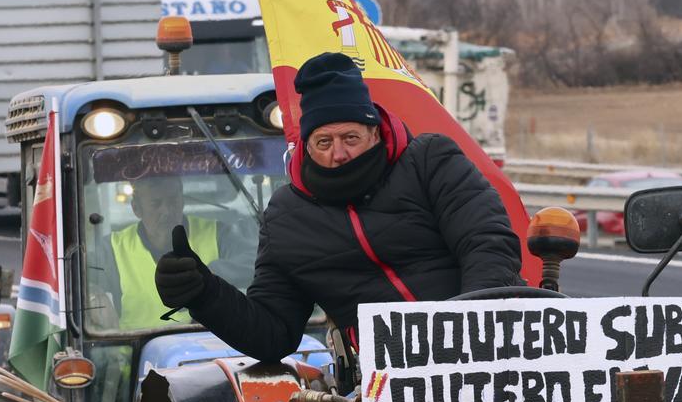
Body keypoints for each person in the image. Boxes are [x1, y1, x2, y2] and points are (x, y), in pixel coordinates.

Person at [154, 51, 523, 363]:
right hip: (385, 385)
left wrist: (469, 336)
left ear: (375, 131)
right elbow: (273, 334)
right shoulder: (286, 218)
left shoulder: (429, 161)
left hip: (486, 351)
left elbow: (488, 242)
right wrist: (204, 294)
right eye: (324, 141)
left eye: (351, 138)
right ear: (306, 146)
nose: (339, 153)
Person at [98, 176, 221, 330]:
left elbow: (252, 261)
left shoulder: (219, 234)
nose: (167, 211)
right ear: (136, 208)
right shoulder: (111, 249)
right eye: (156, 204)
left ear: (182, 201)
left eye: (173, 201)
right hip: (136, 350)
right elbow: (80, 277)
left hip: (209, 348)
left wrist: (207, 279)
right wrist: (93, 294)